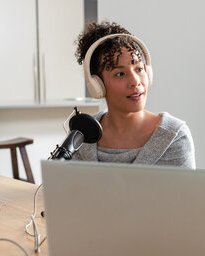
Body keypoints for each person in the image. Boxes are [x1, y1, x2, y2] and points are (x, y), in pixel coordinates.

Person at [73, 21, 195, 168]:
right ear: (97, 84)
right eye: (120, 74)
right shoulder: (82, 136)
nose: (135, 82)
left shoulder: (175, 137)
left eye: (139, 69)